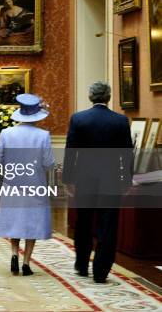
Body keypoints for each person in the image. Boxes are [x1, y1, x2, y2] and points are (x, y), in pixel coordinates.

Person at [62, 81, 133, 284]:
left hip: (84, 179)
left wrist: (68, 179)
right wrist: (126, 180)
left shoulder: (78, 119)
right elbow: (127, 154)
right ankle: (101, 272)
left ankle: (82, 265)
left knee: (83, 223)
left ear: (90, 97)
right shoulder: (120, 121)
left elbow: (70, 152)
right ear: (109, 97)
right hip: (111, 179)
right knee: (108, 225)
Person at [0, 94, 54, 276]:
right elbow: (48, 163)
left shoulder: (6, 133)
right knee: (32, 222)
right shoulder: (43, 135)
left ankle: (14, 253)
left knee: (15, 220)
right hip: (35, 183)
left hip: (12, 182)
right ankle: (26, 263)